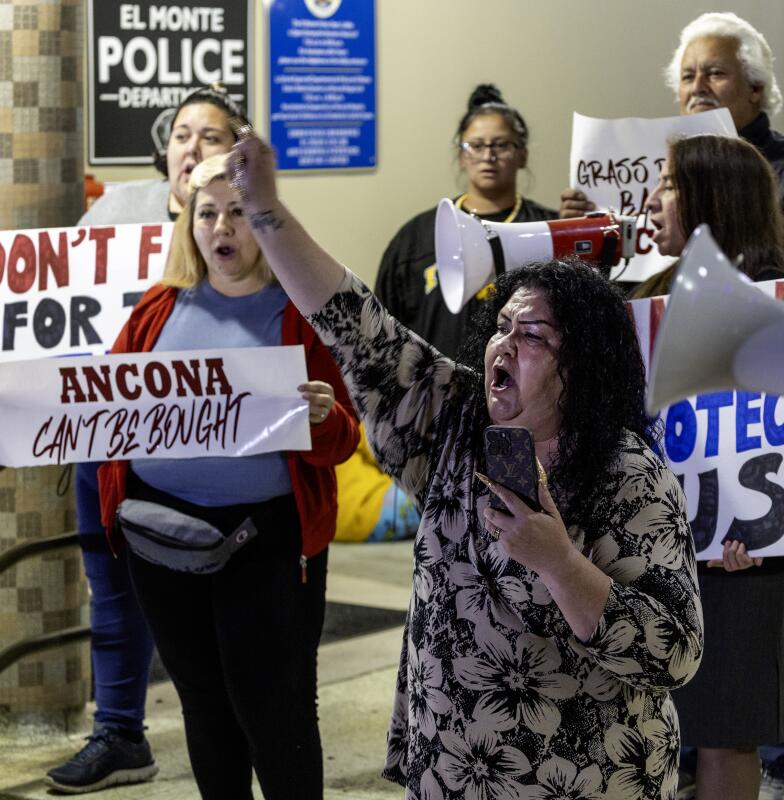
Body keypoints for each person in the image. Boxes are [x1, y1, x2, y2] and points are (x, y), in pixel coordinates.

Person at [227, 130, 704, 798]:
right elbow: (353, 320)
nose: (504, 344)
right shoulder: (453, 426)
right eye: (501, 328)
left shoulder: (629, 475)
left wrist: (561, 564)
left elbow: (675, 652)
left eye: (533, 335)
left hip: (584, 779)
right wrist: (266, 213)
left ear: (583, 366)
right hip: (452, 774)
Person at [95, 152, 358, 799]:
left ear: (266, 221)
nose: (222, 228)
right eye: (206, 213)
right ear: (189, 225)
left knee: (275, 711)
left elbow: (346, 437)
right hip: (161, 541)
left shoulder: (302, 307)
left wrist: (323, 416)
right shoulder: (157, 308)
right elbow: (107, 407)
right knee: (204, 707)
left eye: (238, 212)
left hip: (265, 546)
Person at [47, 84, 248, 794]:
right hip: (104, 440)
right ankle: (120, 734)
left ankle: (233, 734)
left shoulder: (244, 222)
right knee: (110, 590)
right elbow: (63, 313)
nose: (193, 147)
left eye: (211, 136)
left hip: (197, 452)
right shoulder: (116, 211)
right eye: (182, 135)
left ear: (238, 151)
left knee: (209, 600)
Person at [636, 134, 784, 800]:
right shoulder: (648, 292)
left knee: (727, 730)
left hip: (744, 557)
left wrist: (766, 535)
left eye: (670, 184)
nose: (653, 198)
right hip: (656, 552)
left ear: (711, 200)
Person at [561, 11, 784, 278]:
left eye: (715, 73)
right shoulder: (658, 164)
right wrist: (585, 236)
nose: (697, 88)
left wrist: (770, 228)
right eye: (687, 76)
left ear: (756, 88)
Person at [375, 83, 557, 360]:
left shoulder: (547, 228)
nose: (488, 156)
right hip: (435, 392)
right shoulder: (416, 237)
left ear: (523, 155)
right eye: (476, 146)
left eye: (502, 145)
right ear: (461, 155)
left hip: (527, 393)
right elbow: (384, 332)